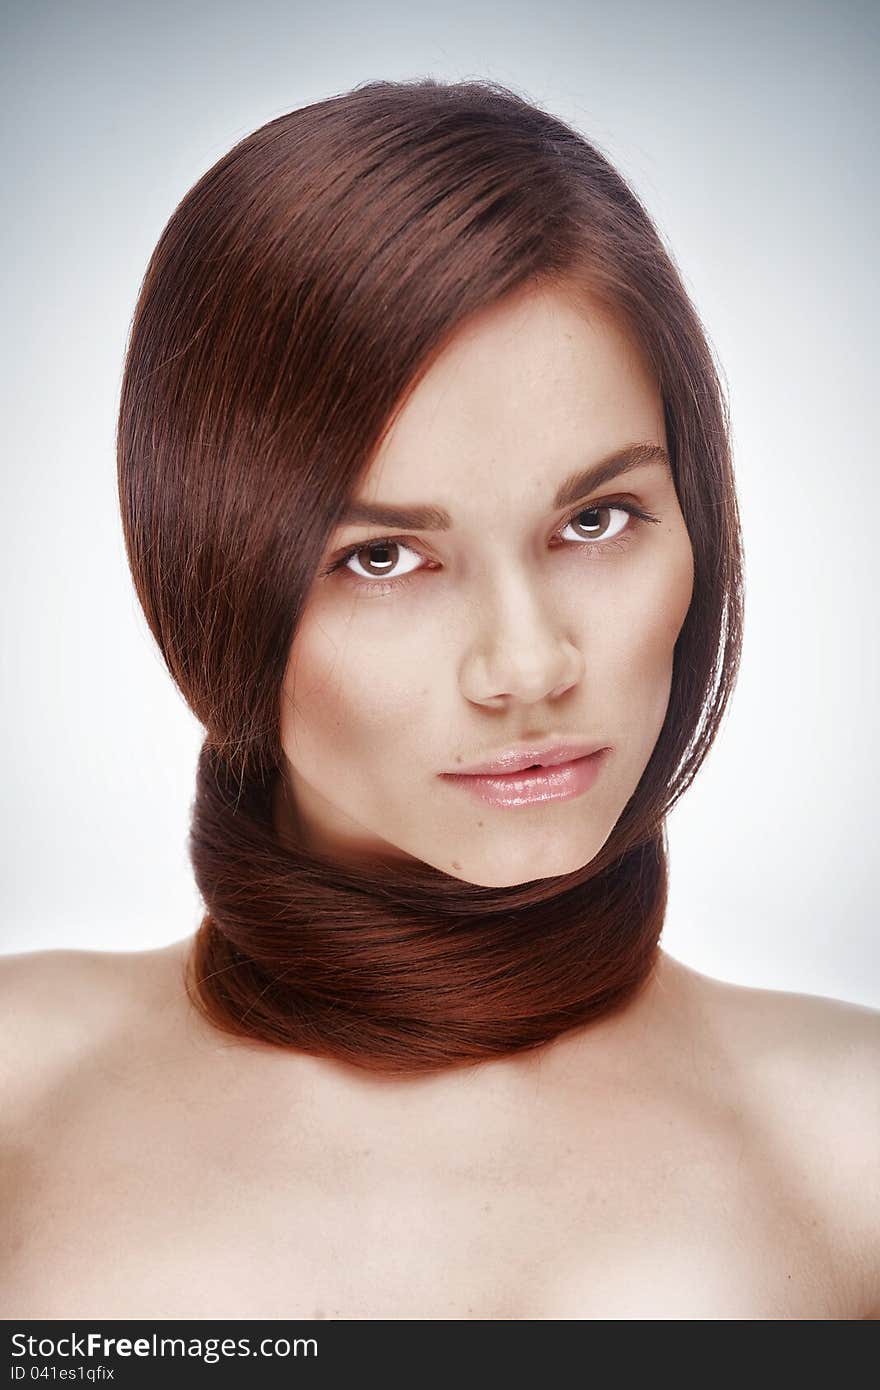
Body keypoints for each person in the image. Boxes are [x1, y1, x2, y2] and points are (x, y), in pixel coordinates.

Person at [2, 77, 877, 1321]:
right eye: (382, 558)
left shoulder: (853, 1142)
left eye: (595, 518)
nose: (526, 667)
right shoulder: (15, 1090)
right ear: (202, 569)